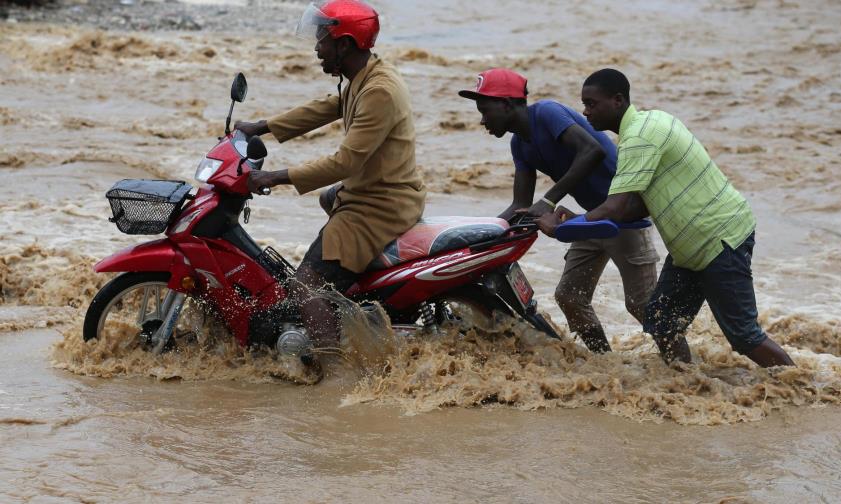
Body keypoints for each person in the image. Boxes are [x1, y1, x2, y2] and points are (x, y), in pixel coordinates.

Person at [537, 68, 794, 368]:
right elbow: (637, 208)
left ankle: (801, 386)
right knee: (661, 321)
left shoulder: (639, 138)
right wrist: (579, 219)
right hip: (693, 249)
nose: (585, 112)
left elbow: (615, 208)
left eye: (592, 104)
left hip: (719, 240)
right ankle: (686, 382)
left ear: (617, 100)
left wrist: (561, 228)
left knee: (745, 336)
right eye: (584, 104)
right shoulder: (650, 123)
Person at [235, 0, 425, 347]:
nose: (317, 47)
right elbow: (328, 106)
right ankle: (348, 297)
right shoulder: (366, 76)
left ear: (345, 44)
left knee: (305, 284)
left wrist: (273, 177)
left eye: (322, 39)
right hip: (377, 190)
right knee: (327, 198)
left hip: (377, 205)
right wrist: (261, 126)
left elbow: (345, 163)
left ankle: (333, 366)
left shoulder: (378, 91)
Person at [458, 68, 659, 353]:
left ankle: (683, 366)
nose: (482, 120)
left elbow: (592, 151)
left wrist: (549, 200)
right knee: (570, 297)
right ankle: (604, 361)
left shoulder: (547, 113)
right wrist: (477, 235)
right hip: (591, 218)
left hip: (624, 215)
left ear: (506, 104)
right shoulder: (519, 145)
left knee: (642, 304)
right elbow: (519, 205)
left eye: (485, 110)